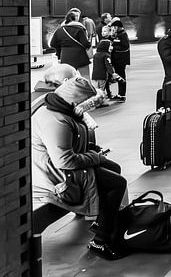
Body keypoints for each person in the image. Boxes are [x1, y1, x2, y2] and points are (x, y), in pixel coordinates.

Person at [32, 76, 128, 260]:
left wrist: (92, 153)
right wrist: (94, 157)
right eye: (87, 104)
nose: (89, 108)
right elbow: (64, 161)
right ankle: (100, 241)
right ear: (76, 101)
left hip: (66, 168)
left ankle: (103, 223)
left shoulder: (63, 110)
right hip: (56, 177)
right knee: (117, 184)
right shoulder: (54, 120)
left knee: (114, 168)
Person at [50, 11, 92, 78]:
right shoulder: (80, 29)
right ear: (75, 19)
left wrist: (59, 52)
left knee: (68, 79)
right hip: (80, 57)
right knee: (86, 78)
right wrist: (89, 42)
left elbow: (52, 44)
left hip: (65, 57)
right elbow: (86, 44)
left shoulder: (60, 30)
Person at [108, 18, 129, 100]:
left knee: (121, 76)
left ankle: (122, 95)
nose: (113, 29)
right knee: (118, 76)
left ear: (117, 27)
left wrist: (114, 48)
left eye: (114, 27)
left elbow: (125, 46)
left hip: (121, 59)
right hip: (116, 59)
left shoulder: (123, 34)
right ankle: (120, 94)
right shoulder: (117, 34)